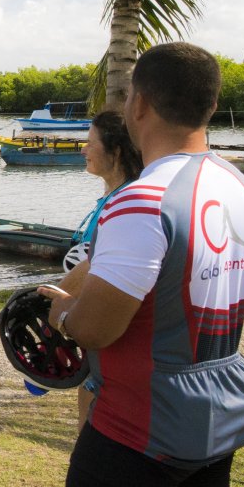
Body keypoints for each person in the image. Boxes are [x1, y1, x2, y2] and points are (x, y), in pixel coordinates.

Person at [43, 43, 244, 487]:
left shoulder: (142, 199)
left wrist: (63, 313)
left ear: (139, 103)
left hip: (136, 431)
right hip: (216, 425)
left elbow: (95, 328)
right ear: (209, 106)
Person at [56, 111, 143, 428]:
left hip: (107, 324)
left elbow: (97, 260)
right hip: (95, 315)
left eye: (90, 143)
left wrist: (56, 299)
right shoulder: (115, 197)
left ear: (116, 151)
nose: (83, 149)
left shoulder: (124, 202)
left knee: (95, 411)